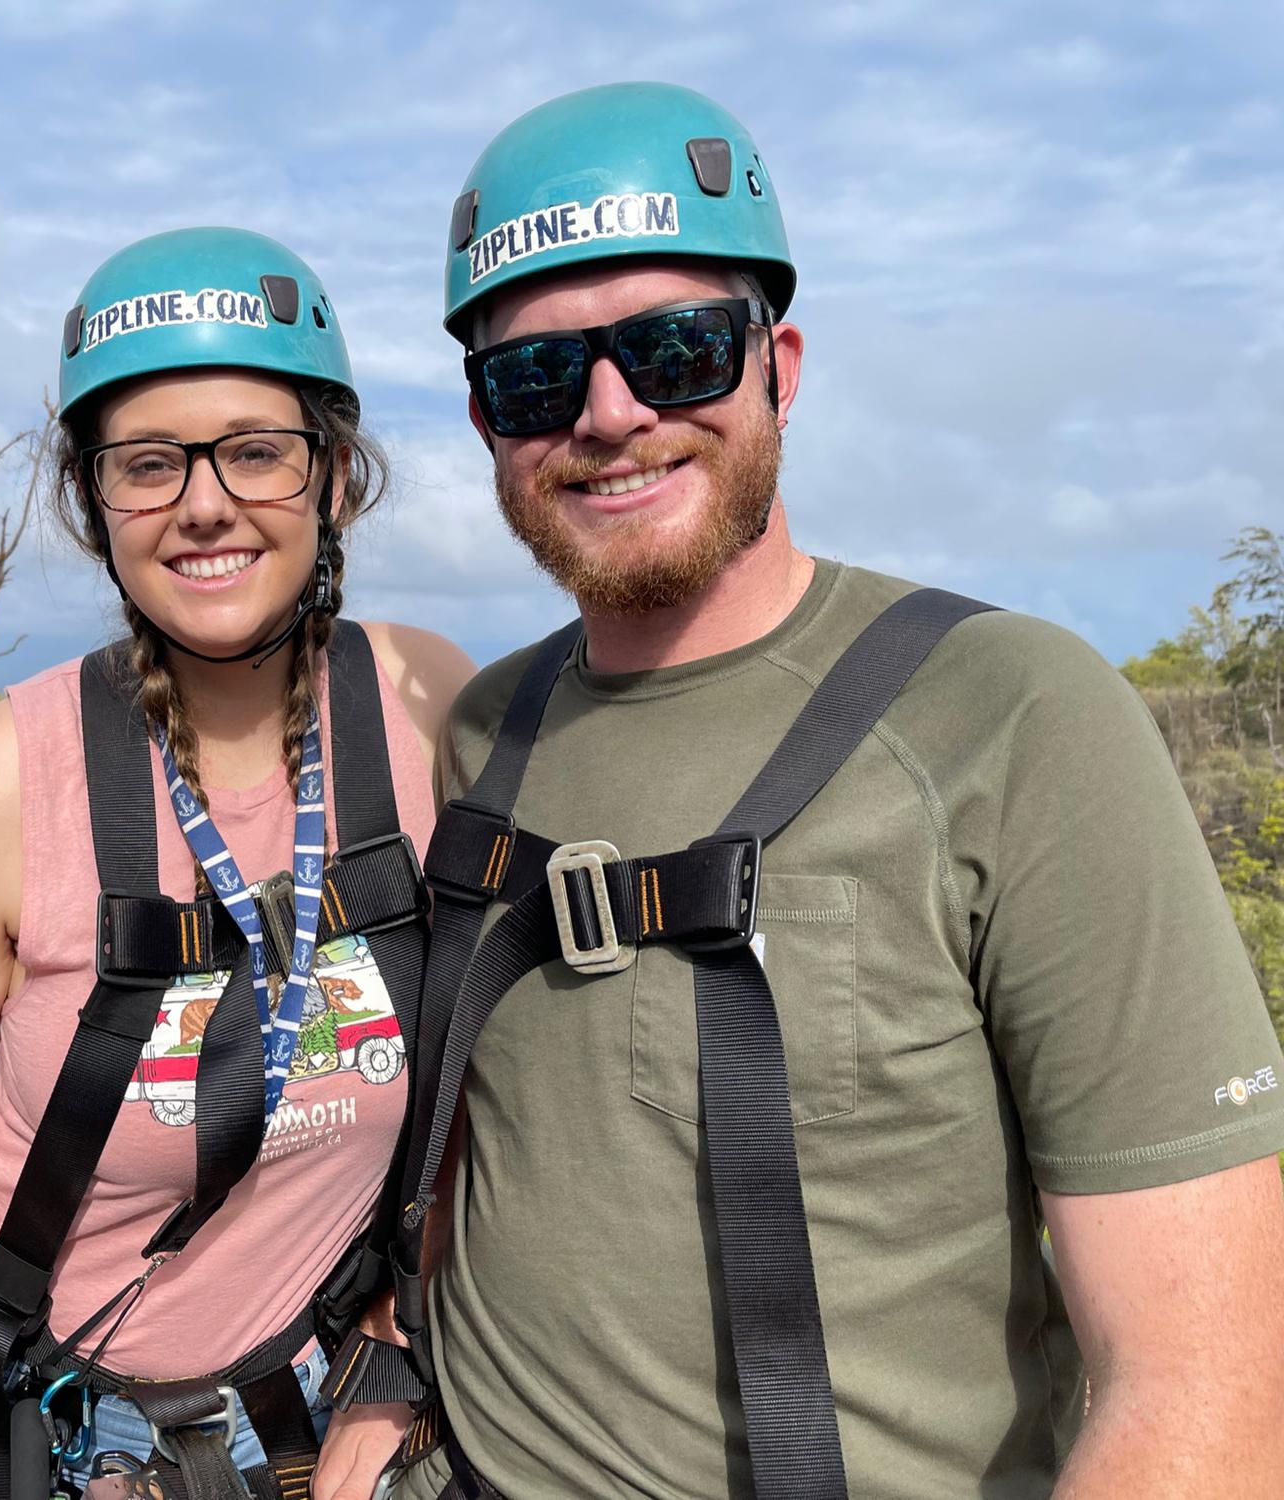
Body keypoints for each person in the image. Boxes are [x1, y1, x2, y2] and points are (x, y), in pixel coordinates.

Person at [384, 83, 1284, 1499]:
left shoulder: (1014, 715)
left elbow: (1210, 1394)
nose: (611, 415)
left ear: (778, 367)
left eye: (679, 351)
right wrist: (390, 1379)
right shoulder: (488, 732)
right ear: (487, 423)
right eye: (535, 378)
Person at [0, 227, 473, 1500]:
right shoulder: (3, 787)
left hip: (324, 1417)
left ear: (333, 481)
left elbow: (484, 1077)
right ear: (93, 500)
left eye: (257, 452)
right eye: (148, 464)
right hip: (54, 1428)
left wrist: (396, 1359)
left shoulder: (419, 706)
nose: (204, 502)